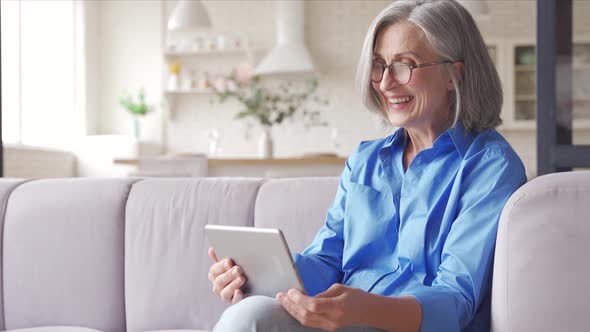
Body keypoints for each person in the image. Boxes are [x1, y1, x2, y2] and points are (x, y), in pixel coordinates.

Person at [207, 0, 527, 331]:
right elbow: (327, 260)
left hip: (405, 326)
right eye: (378, 65)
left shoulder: (490, 167)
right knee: (250, 314)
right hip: (339, 322)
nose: (386, 82)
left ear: (453, 74)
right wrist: (258, 272)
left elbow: (456, 299)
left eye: (404, 65)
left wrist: (367, 310)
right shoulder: (365, 160)